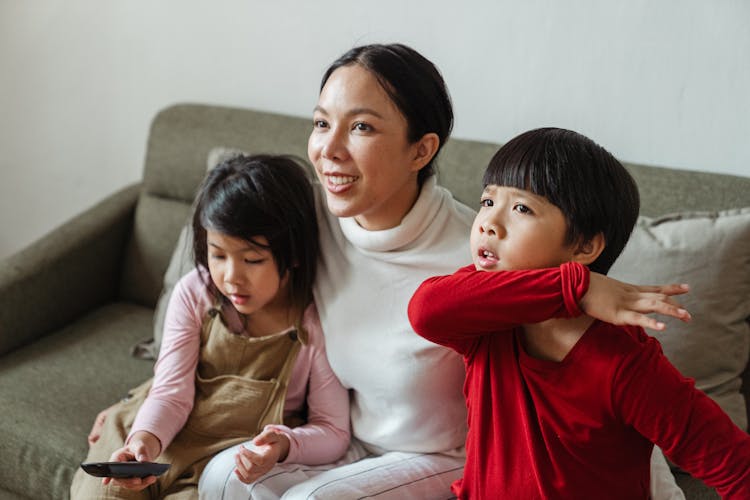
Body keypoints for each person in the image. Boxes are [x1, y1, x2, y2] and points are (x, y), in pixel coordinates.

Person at [196, 44, 691, 499]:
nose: (330, 149)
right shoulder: (314, 223)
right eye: (322, 123)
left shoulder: (485, 251)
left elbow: (595, 383)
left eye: (362, 127)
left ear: (421, 149)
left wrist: (581, 288)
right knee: (225, 479)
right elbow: (218, 276)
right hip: (347, 442)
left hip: (444, 458)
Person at [408, 127, 750, 499]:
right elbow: (425, 310)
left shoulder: (625, 362)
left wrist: (572, 286)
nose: (489, 222)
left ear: (585, 246)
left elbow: (734, 465)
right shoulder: (486, 316)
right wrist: (578, 288)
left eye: (522, 208)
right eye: (488, 202)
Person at [72, 154, 350, 499]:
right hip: (158, 427)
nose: (232, 277)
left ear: (293, 253)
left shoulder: (315, 320)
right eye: (218, 255)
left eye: (252, 259)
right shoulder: (196, 291)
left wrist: (283, 445)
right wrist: (143, 441)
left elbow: (334, 430)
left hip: (223, 460)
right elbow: (171, 393)